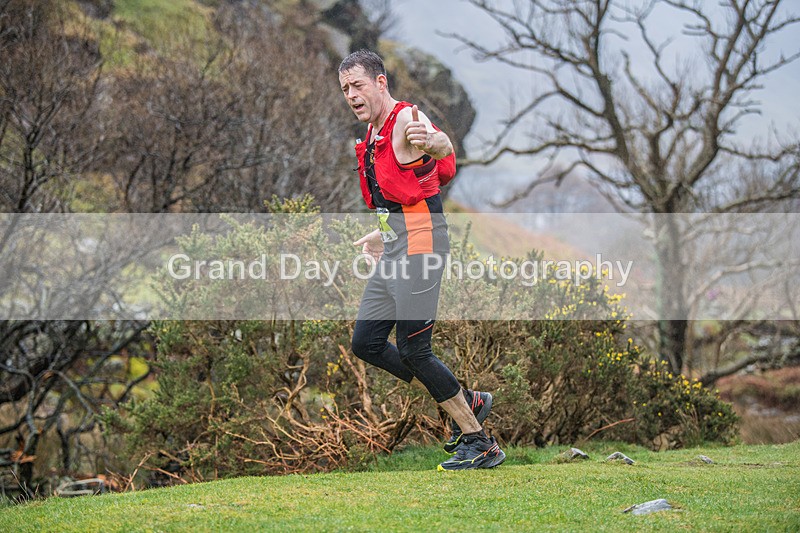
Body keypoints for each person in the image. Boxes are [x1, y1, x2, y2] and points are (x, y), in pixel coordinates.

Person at [338, 49, 505, 471]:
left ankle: (480, 442)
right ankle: (467, 400)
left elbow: (440, 144)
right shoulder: (373, 133)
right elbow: (399, 197)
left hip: (422, 246)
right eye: (345, 89)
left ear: (380, 83)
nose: (351, 95)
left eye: (358, 85)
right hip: (397, 245)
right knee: (366, 342)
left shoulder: (405, 120)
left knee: (415, 350)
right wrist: (383, 233)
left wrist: (433, 141)